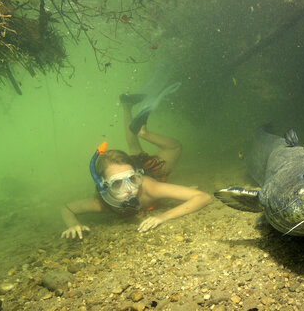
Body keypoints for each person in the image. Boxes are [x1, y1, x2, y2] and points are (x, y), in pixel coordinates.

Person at [61, 85, 211, 239]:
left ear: (137, 175)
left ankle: (144, 133)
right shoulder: (102, 202)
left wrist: (162, 217)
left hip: (147, 167)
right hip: (132, 164)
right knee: (134, 149)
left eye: (133, 179)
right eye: (117, 183)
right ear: (104, 185)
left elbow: (203, 197)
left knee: (175, 147)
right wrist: (73, 225)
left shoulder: (148, 187)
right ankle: (126, 105)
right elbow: (67, 209)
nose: (129, 189)